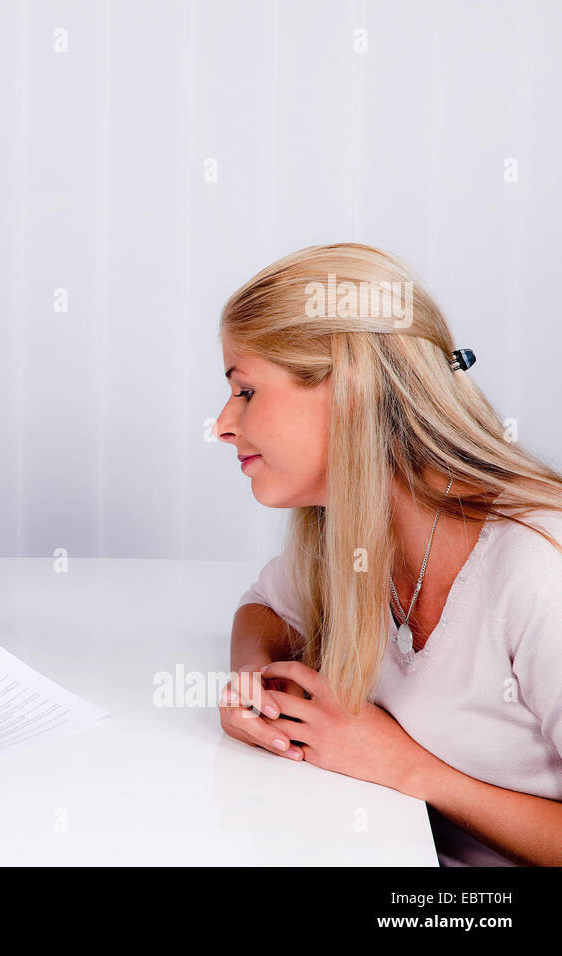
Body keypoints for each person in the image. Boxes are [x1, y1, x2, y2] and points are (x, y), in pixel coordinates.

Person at [213, 242, 562, 866]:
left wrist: (407, 768)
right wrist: (254, 686)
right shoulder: (349, 536)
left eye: (245, 391)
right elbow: (263, 607)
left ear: (349, 392)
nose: (222, 423)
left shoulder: (538, 569)